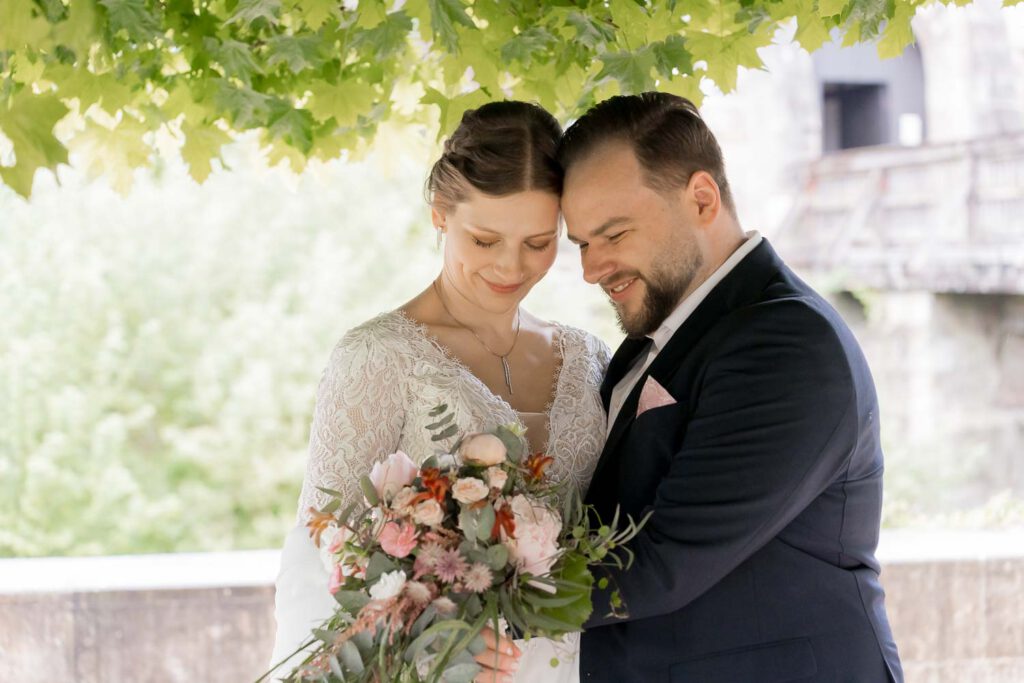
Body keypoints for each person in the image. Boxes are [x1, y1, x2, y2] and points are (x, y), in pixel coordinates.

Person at [556, 92, 904, 682]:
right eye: (583, 244)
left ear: (701, 198)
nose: (592, 269)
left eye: (614, 235)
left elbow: (665, 561)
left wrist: (483, 598)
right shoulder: (651, 342)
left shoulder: (787, 342)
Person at [269, 101, 609, 683]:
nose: (511, 266)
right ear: (440, 215)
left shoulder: (590, 357)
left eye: (538, 242)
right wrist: (433, 641)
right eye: (484, 239)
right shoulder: (378, 356)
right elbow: (322, 553)